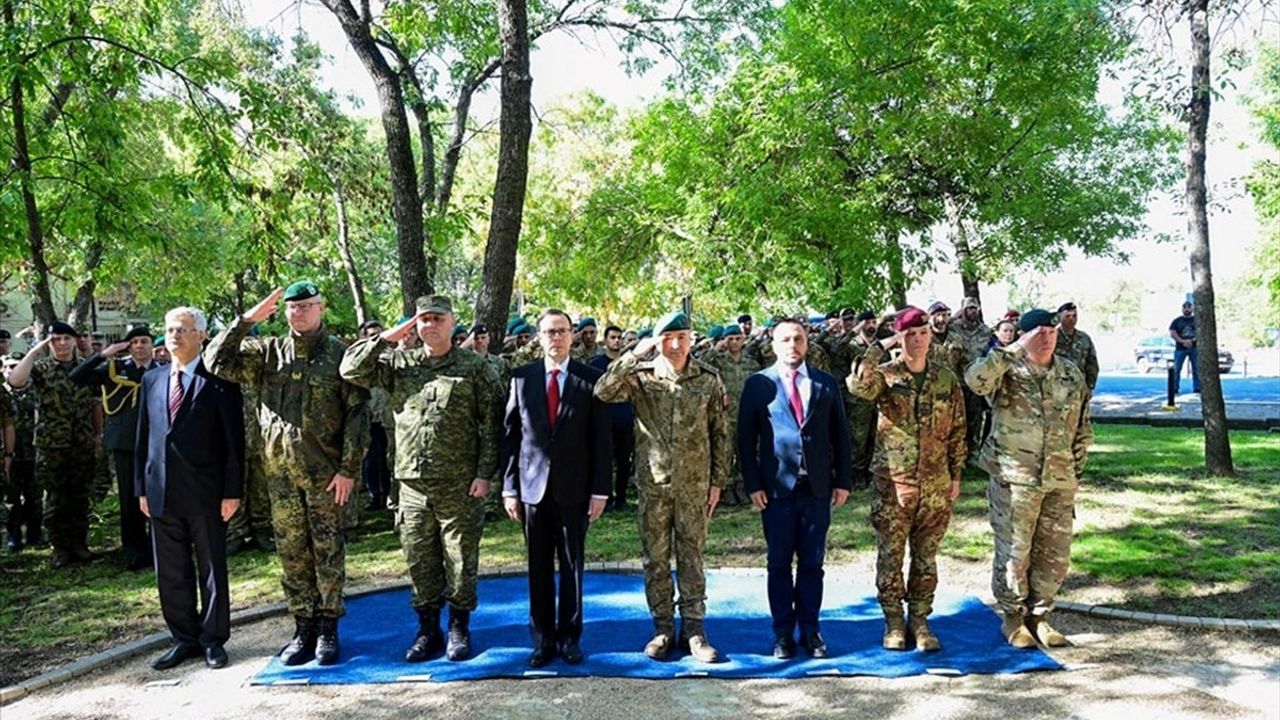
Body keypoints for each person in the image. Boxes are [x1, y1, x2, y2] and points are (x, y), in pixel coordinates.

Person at [204, 281, 368, 667]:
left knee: (327, 553)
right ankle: (303, 627)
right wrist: (246, 321)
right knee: (292, 555)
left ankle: (328, 629)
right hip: (279, 477)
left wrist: (348, 470)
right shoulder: (266, 353)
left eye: (308, 306)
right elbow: (215, 361)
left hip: (325, 477)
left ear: (321, 308)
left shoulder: (340, 355)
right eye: (294, 307)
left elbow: (356, 417)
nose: (301, 313)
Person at [340, 295, 503, 663]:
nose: (430, 325)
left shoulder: (474, 368)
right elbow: (350, 370)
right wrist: (385, 339)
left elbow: (492, 423)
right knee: (419, 558)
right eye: (423, 319)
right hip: (411, 484)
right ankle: (428, 629)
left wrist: (484, 474)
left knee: (460, 558)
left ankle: (459, 626)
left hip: (459, 483)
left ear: (451, 322)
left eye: (437, 319)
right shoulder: (398, 364)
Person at [594, 310, 730, 663]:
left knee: (692, 557)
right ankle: (662, 628)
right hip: (654, 486)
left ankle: (695, 631)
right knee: (655, 560)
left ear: (691, 339)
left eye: (682, 337)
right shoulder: (641, 377)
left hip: (695, 486)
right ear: (657, 341)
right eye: (667, 338)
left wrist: (718, 482)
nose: (675, 345)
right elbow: (603, 391)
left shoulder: (708, 379)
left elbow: (720, 433)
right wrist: (635, 355)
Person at [965, 309, 1093, 649]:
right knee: (1015, 551)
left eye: (1051, 331)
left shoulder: (1069, 372)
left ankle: (1040, 616)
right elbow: (975, 381)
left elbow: (1082, 424)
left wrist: (1076, 467)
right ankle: (1012, 617)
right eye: (1039, 332)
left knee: (1054, 553)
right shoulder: (1006, 368)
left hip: (1059, 477)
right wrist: (1012, 350)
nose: (1047, 336)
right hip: (1015, 477)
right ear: (1023, 335)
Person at [850, 307, 966, 651]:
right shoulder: (885, 376)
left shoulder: (946, 379)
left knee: (927, 556)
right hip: (894, 482)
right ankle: (893, 621)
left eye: (923, 333)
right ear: (900, 338)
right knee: (891, 554)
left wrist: (956, 474)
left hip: (935, 483)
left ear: (931, 335)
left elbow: (959, 430)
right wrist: (882, 345)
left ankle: (920, 619)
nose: (917, 340)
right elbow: (858, 383)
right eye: (910, 335)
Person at [136, 307, 245, 671]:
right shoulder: (152, 380)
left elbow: (234, 442)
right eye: (169, 330)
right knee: (170, 570)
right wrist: (141, 488)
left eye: (183, 329)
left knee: (211, 567)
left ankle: (212, 639)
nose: (174, 336)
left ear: (201, 335)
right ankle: (184, 638)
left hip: (207, 492)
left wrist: (233, 491)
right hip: (161, 491)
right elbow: (144, 440)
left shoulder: (219, 380)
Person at [501, 309, 611, 667]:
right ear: (539, 336)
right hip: (532, 489)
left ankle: (570, 638)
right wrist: (509, 488)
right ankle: (543, 639)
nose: (556, 338)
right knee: (537, 567)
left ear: (573, 335)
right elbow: (511, 436)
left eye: (562, 331)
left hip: (574, 490)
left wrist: (600, 490)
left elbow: (601, 441)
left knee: (572, 566)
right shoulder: (521, 378)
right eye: (549, 332)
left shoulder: (591, 379)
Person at [738, 318, 851, 659]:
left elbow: (840, 435)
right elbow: (745, 439)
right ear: (773, 345)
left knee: (813, 564)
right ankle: (783, 633)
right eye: (785, 339)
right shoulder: (758, 384)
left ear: (807, 343)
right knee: (778, 564)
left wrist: (842, 479)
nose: (792, 344)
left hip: (816, 488)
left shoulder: (825, 382)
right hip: (776, 491)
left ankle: (812, 630)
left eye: (798, 338)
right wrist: (753, 483)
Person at [5, 321, 98, 568]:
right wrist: (35, 351)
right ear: (49, 342)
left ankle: (79, 543)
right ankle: (59, 548)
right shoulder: (41, 368)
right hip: (51, 444)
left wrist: (97, 436)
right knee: (56, 498)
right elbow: (15, 382)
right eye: (56, 339)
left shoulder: (85, 368)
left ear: (74, 341)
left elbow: (95, 405)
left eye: (67, 339)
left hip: (81, 441)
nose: (62, 344)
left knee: (79, 495)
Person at [69, 325, 156, 569]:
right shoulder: (115, 368)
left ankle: (158, 549)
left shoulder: (163, 369)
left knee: (159, 496)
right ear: (128, 346)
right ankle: (134, 552)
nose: (139, 346)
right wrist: (104, 353)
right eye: (135, 342)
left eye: (144, 341)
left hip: (156, 443)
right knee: (130, 498)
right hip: (126, 443)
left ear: (152, 345)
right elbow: (76, 377)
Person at [705, 323, 759, 506]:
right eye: (730, 339)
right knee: (724, 453)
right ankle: (726, 488)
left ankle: (742, 486)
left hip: (746, 415)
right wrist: (714, 349)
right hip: (725, 416)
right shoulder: (718, 361)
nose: (734, 342)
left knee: (745, 452)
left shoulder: (751, 363)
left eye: (737, 339)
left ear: (743, 340)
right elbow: (701, 364)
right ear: (725, 341)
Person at [588, 325, 636, 511]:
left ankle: (621, 499)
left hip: (625, 418)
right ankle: (605, 498)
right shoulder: (596, 364)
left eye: (619, 337)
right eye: (613, 337)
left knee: (624, 461)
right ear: (606, 340)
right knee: (605, 461)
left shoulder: (629, 364)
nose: (617, 341)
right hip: (604, 420)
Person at [3, 353, 40, 551]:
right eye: (8, 366)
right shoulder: (3, 394)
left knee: (35, 496)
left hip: (34, 452)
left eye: (16, 365)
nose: (12, 369)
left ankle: (35, 534)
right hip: (11, 455)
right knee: (12, 499)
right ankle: (14, 536)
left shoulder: (37, 391)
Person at [1055, 303, 1099, 393]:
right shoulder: (1052, 337)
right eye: (1068, 316)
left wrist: (1089, 386)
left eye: (1074, 316)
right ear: (1060, 317)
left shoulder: (1084, 338)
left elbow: (1092, 363)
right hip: (1056, 388)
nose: (1072, 319)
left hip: (1079, 388)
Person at [1169, 301, 1199, 395]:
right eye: (1185, 307)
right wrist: (1182, 341)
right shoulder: (1177, 321)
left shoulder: (1197, 320)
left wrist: (1192, 341)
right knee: (1177, 369)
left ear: (1192, 309)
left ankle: (1197, 387)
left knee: (1196, 369)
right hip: (1180, 349)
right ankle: (1174, 388)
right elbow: (1173, 333)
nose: (1187, 309)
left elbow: (1201, 332)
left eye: (1189, 307)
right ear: (1182, 309)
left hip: (1194, 348)